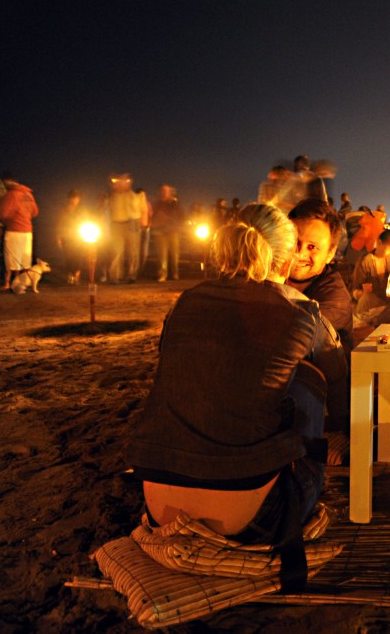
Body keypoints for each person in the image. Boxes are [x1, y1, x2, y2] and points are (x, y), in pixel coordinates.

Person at [127, 203, 346, 591]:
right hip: (257, 518)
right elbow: (343, 386)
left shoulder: (185, 303)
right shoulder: (302, 313)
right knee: (309, 379)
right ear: (286, 254)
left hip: (159, 505)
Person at [287, 198, 354, 356]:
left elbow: (289, 336)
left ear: (330, 253)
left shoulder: (334, 301)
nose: (299, 253)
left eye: (312, 247)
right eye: (294, 242)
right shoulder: (267, 276)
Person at [0, 172, 39, 289]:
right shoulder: (28, 194)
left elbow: (3, 213)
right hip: (28, 231)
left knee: (11, 259)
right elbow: (35, 212)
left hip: (14, 230)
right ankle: (21, 283)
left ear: (7, 182)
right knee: (24, 260)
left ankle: (7, 283)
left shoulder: (11, 194)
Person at [351, 229, 390, 319]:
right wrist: (361, 293)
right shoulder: (366, 261)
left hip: (387, 305)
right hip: (369, 306)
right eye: (389, 249)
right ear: (379, 243)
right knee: (367, 299)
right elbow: (354, 289)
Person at [107, 173, 144, 284]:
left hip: (131, 223)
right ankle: (114, 276)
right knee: (116, 251)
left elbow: (139, 208)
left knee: (133, 251)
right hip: (116, 224)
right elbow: (110, 208)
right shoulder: (113, 196)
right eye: (118, 183)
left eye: (122, 183)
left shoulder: (133, 195)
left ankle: (132, 275)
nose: (119, 185)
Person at [151, 184, 185, 282]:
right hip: (160, 232)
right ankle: (162, 275)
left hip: (173, 232)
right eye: (162, 191)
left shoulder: (175, 204)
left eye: (166, 191)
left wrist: (177, 226)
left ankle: (175, 273)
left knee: (175, 254)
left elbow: (181, 216)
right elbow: (152, 215)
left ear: (170, 192)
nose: (164, 193)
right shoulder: (157, 204)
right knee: (162, 255)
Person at [56, 189, 88, 285]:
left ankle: (77, 275)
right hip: (67, 236)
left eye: (77, 198)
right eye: (73, 198)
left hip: (79, 236)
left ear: (79, 199)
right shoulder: (64, 209)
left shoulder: (82, 210)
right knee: (69, 257)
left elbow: (86, 221)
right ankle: (70, 274)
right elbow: (59, 223)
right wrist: (58, 236)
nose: (74, 200)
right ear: (69, 198)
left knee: (79, 256)